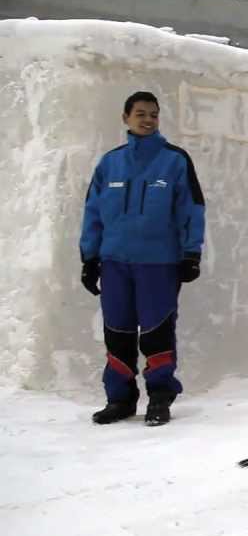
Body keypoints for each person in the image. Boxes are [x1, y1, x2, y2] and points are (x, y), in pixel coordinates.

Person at [80, 91, 206, 426]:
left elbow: (191, 210)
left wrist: (191, 253)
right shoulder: (110, 163)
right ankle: (119, 400)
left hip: (159, 264)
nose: (147, 119)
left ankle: (160, 398)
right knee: (117, 331)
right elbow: (92, 211)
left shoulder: (175, 160)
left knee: (156, 332)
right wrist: (89, 258)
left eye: (153, 114)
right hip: (115, 263)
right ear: (126, 118)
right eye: (140, 114)